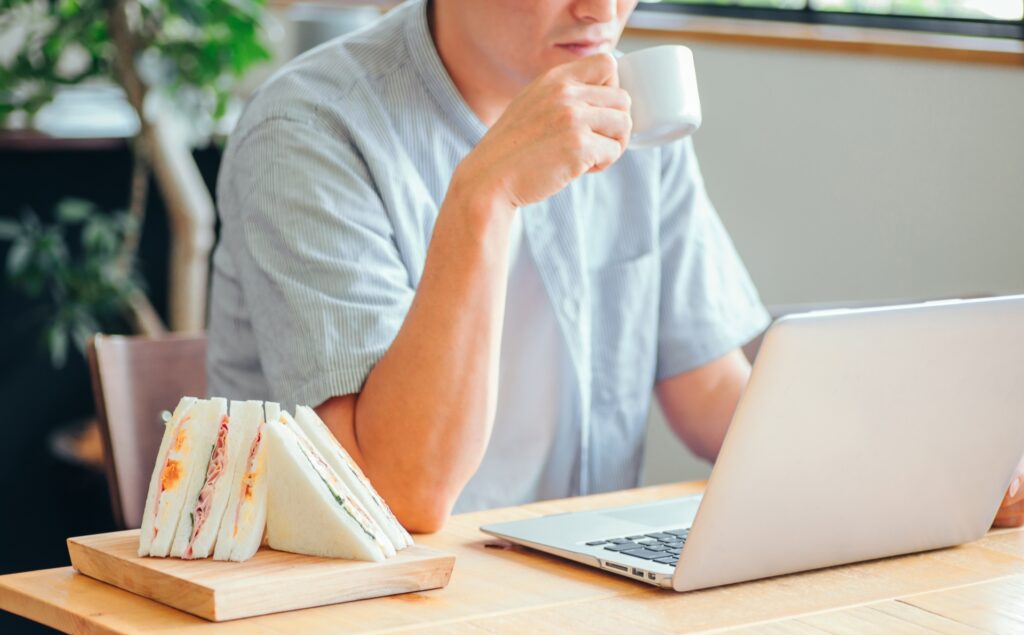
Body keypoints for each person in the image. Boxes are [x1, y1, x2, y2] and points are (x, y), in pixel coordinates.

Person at [207, 0, 1024, 532]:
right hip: (365, 622)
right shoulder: (308, 132)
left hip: (567, 608)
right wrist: (482, 201)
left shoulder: (629, 103)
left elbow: (712, 395)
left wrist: (932, 474)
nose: (602, 10)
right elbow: (395, 494)